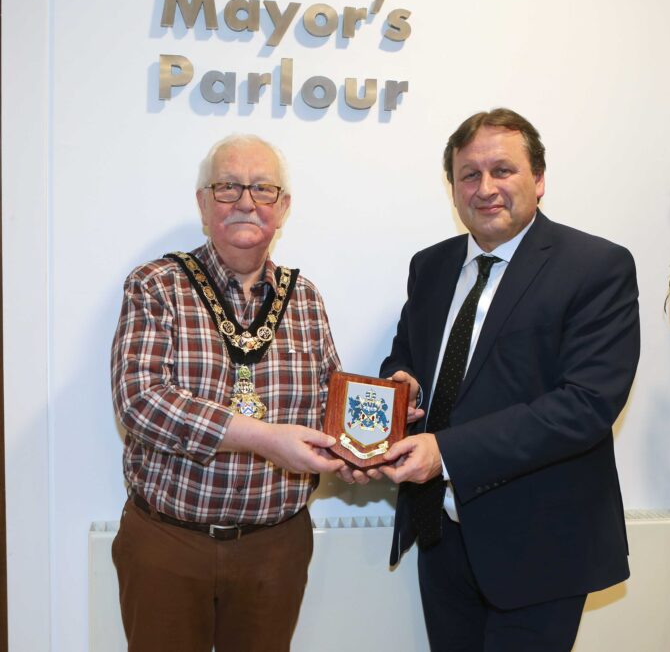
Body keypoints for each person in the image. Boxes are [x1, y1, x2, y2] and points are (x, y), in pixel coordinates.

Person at [365, 108, 640, 651]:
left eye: (502, 170)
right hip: (441, 534)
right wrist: (403, 385)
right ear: (452, 187)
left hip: (539, 547)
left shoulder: (596, 266)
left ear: (538, 179)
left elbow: (584, 406)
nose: (485, 188)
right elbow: (410, 357)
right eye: (469, 174)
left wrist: (444, 451)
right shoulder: (431, 265)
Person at [110, 134, 345, 652]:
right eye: (227, 186)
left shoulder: (305, 298)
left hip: (275, 548)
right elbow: (141, 401)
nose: (245, 201)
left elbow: (332, 402)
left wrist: (376, 423)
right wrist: (263, 438)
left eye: (263, 188)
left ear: (283, 208)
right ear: (202, 202)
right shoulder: (156, 285)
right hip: (168, 544)